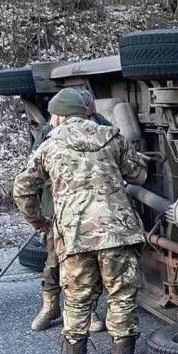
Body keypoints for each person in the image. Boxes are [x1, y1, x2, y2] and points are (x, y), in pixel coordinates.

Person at [13, 88, 148, 354]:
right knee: (121, 294)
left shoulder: (49, 146)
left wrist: (37, 220)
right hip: (116, 231)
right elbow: (138, 174)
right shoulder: (111, 136)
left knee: (76, 297)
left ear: (60, 115)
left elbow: (22, 188)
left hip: (74, 235)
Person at [28, 89, 110, 332]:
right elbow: (33, 173)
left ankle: (90, 311)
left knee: (89, 264)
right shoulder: (48, 133)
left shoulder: (103, 127)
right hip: (58, 207)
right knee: (54, 260)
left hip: (94, 209)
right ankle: (50, 306)